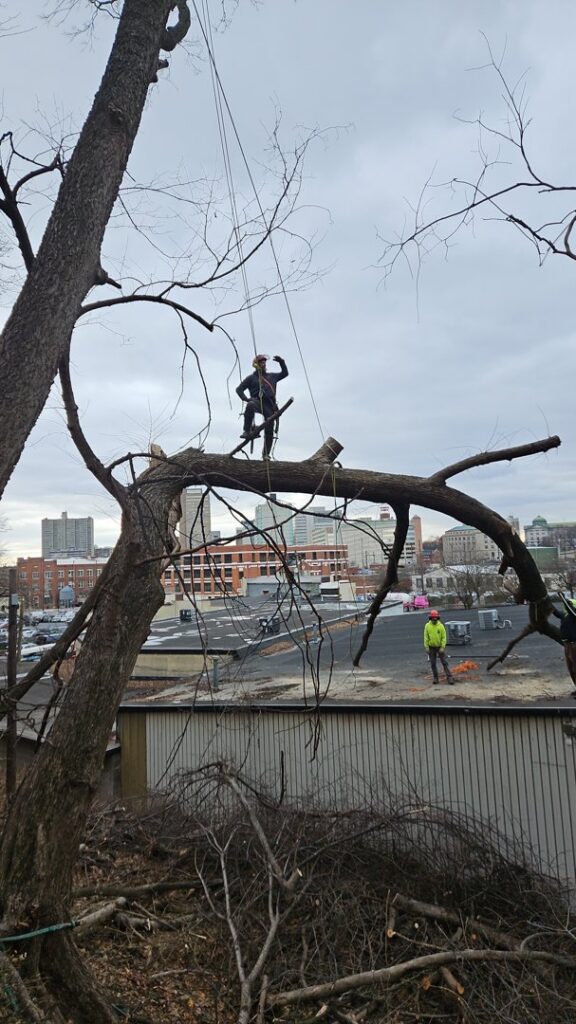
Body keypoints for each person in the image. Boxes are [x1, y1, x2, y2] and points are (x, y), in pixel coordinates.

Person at [236, 354, 288, 458]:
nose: (263, 364)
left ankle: (266, 454)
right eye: (261, 362)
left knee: (269, 429)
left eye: (264, 362)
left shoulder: (272, 376)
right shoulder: (251, 378)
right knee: (250, 405)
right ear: (256, 364)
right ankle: (247, 430)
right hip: (257, 402)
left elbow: (285, 373)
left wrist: (282, 362)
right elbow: (239, 389)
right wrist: (246, 399)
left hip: (270, 406)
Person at [552, 594, 576, 691]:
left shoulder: (574, 615)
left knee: (575, 667)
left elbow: (570, 609)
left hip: (574, 643)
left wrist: (564, 599)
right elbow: (556, 613)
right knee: (570, 668)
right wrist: (548, 604)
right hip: (567, 644)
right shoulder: (565, 615)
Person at [423, 609, 454, 685]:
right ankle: (435, 678)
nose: (434, 619)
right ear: (430, 618)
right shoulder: (427, 626)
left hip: (439, 647)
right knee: (433, 663)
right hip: (431, 647)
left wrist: (442, 647)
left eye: (435, 618)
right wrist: (426, 647)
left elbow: (444, 637)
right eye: (433, 618)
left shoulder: (440, 626)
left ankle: (449, 677)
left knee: (444, 662)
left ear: (437, 618)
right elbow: (426, 637)